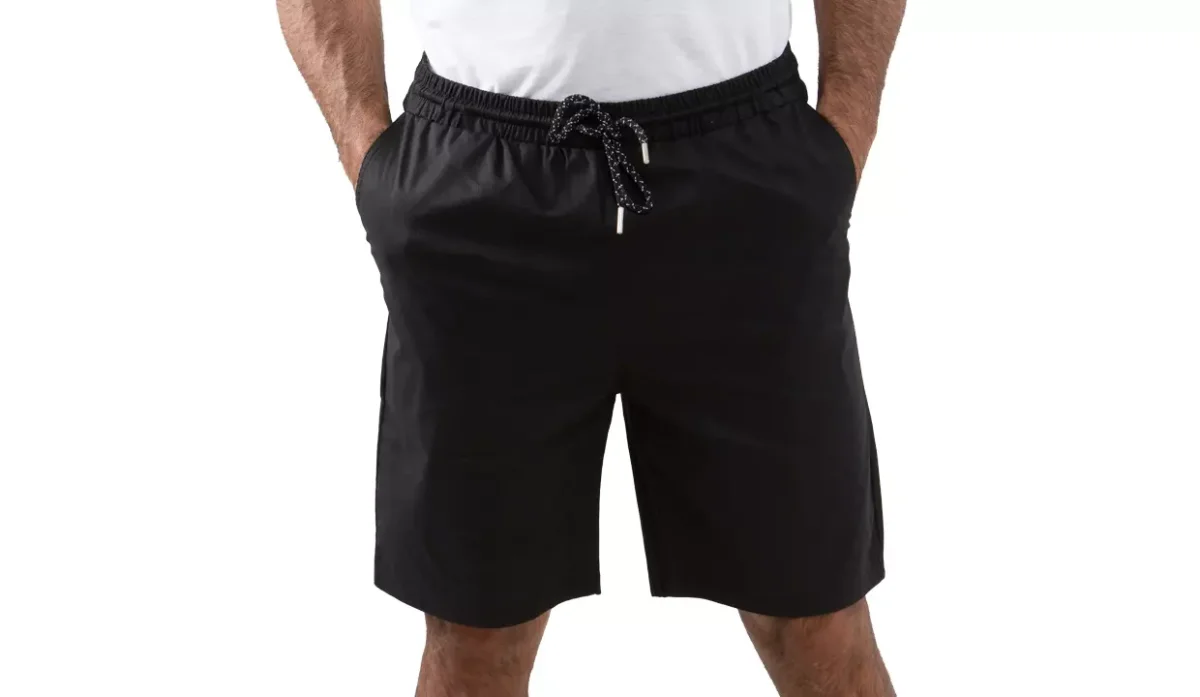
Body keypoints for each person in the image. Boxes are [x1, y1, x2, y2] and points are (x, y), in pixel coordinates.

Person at [277, 1, 904, 694]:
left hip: (748, 181)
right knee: (477, 633)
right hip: (477, 190)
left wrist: (850, 121)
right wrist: (365, 148)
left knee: (816, 616)